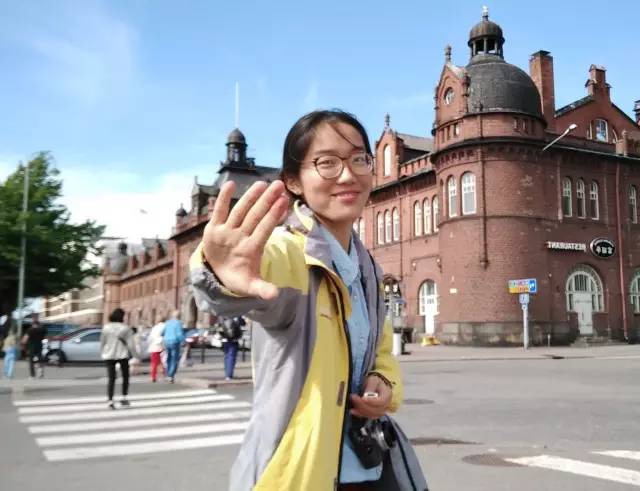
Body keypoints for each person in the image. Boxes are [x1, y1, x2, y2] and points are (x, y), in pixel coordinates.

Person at [190, 110, 427, 490]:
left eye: (359, 159)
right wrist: (216, 271)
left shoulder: (366, 266)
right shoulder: (291, 253)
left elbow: (381, 348)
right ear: (293, 181)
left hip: (371, 469)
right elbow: (249, 274)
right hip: (299, 474)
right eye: (327, 163)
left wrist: (384, 381)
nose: (347, 175)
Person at [100, 308, 139, 409]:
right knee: (125, 376)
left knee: (111, 378)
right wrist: (136, 356)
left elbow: (102, 342)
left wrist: (102, 352)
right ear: (122, 317)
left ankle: (110, 400)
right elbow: (131, 345)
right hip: (122, 355)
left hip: (109, 355)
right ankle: (124, 397)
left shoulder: (106, 327)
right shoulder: (126, 328)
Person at [162, 310, 185, 383]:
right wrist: (183, 341)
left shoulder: (167, 322)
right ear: (179, 316)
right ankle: (170, 375)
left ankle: (168, 373)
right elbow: (179, 334)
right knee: (174, 359)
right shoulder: (178, 323)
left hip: (166, 341)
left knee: (169, 358)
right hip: (174, 342)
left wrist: (166, 336)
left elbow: (162, 332)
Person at [148, 317, 166, 382]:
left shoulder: (155, 327)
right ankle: (165, 374)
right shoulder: (165, 326)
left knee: (154, 363)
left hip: (154, 346)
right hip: (163, 345)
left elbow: (150, 338)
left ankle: (153, 376)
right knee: (164, 361)